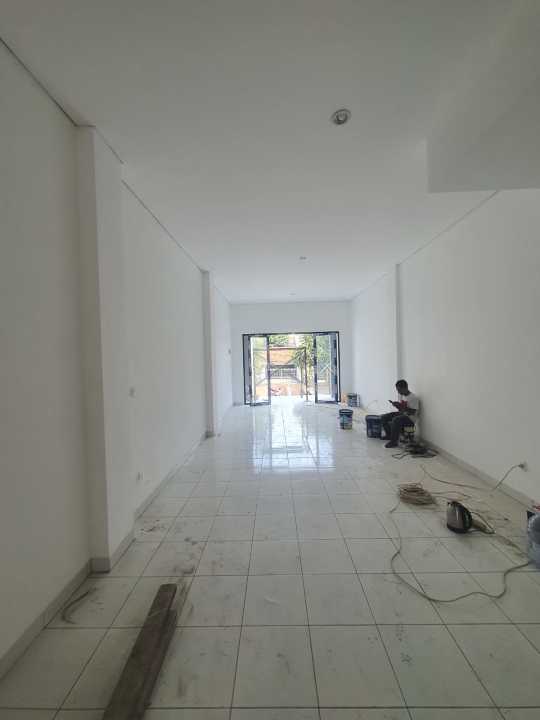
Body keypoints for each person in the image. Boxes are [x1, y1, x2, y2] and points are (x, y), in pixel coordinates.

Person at [380, 379, 419, 448]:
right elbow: (401, 409)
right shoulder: (403, 395)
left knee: (396, 420)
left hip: (410, 419)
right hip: (403, 414)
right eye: (397, 390)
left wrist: (402, 406)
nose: (398, 392)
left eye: (399, 390)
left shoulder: (413, 398)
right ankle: (389, 435)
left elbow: (413, 412)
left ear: (405, 388)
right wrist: (397, 405)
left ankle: (393, 442)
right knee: (384, 417)